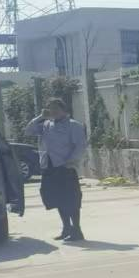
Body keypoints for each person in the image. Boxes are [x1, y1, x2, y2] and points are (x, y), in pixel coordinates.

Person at [25, 98, 87, 242]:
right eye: (51, 109)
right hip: (49, 166)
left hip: (65, 167)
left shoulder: (73, 125)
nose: (53, 111)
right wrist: (40, 117)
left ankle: (77, 230)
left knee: (71, 200)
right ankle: (66, 228)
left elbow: (80, 146)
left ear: (64, 110)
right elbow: (28, 131)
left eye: (56, 109)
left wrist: (71, 162)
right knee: (56, 199)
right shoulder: (46, 124)